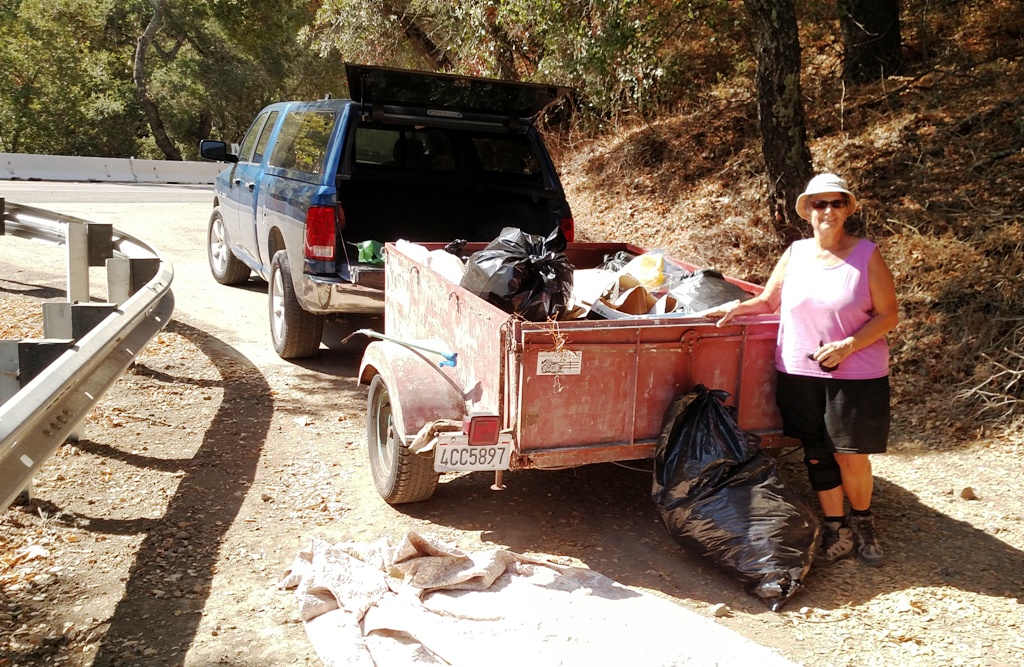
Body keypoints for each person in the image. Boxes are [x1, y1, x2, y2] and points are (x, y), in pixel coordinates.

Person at [711, 173, 899, 567]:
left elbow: (888, 315)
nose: (827, 211)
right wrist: (734, 307)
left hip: (855, 375)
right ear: (807, 211)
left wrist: (849, 345)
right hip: (798, 370)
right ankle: (836, 527)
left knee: (851, 455)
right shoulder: (795, 253)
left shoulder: (866, 255)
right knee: (816, 453)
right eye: (819, 204)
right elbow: (767, 301)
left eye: (835, 203)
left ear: (847, 208)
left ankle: (863, 522)